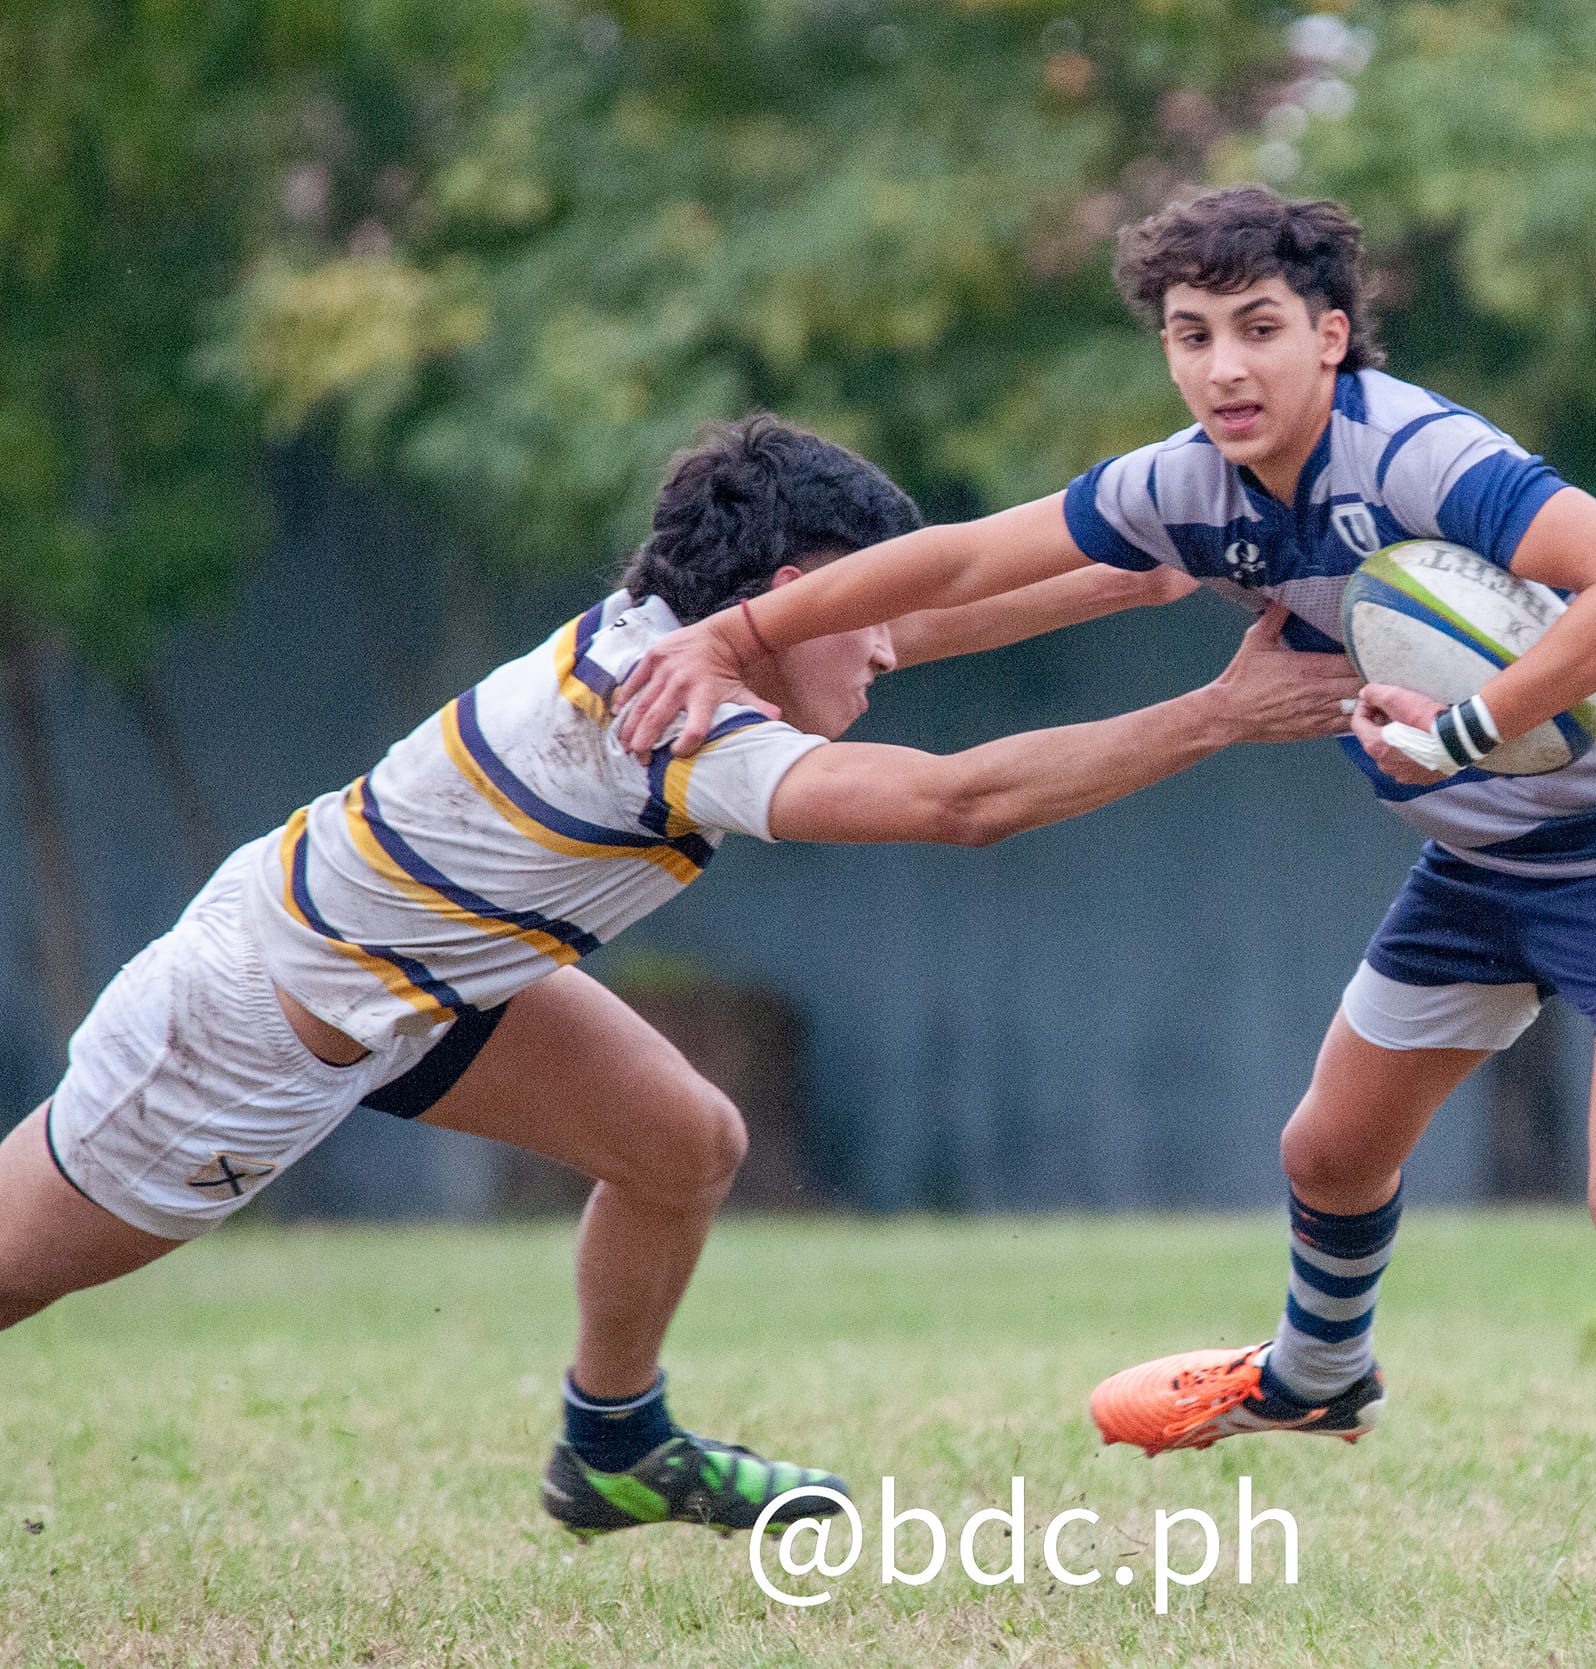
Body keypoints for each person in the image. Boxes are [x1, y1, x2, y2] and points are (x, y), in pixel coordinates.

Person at [607, 191, 1596, 1626]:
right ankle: (1318, 1380)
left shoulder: (1424, 452)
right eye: (1190, 336)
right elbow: (964, 566)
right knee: (1328, 1147)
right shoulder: (1190, 487)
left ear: (1332, 335)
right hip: (1483, 857)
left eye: (1258, 328)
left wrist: (1467, 728)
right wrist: (740, 633)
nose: (1224, 369)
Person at [0, 414, 1361, 1544]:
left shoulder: (695, 633)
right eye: (857, 606)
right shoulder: (683, 725)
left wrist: (1162, 567)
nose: (883, 643)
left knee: (682, 1140)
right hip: (251, 1031)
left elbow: (933, 613)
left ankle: (613, 1447)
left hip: (418, 979)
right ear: (778, 596)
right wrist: (1221, 713)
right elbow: (961, 804)